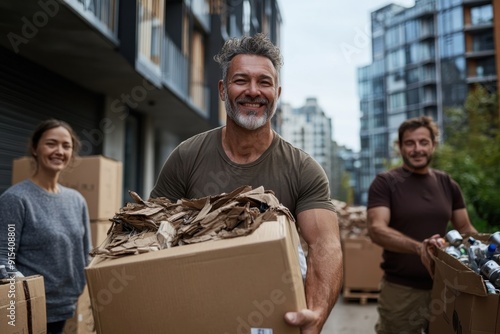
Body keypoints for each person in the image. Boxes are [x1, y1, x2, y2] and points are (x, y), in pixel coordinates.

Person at [150, 33, 343, 333]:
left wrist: (316, 313)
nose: (253, 91)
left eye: (264, 82)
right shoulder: (186, 157)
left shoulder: (303, 169)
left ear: (277, 92)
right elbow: (151, 234)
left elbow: (325, 246)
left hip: (271, 319)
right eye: (241, 80)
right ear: (223, 90)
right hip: (197, 316)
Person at [367, 115, 478, 334]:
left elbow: (466, 229)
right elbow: (376, 229)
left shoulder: (447, 183)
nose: (417, 149)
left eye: (423, 142)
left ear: (433, 145)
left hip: (447, 288)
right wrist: (419, 248)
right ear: (399, 147)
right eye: (410, 143)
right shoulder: (386, 182)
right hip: (402, 291)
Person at [0, 119, 92, 334]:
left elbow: (87, 253)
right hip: (30, 310)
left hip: (67, 307)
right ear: (35, 148)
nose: (59, 151)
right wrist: (26, 298)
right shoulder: (16, 199)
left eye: (66, 146)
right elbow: (5, 257)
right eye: (51, 143)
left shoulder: (76, 200)